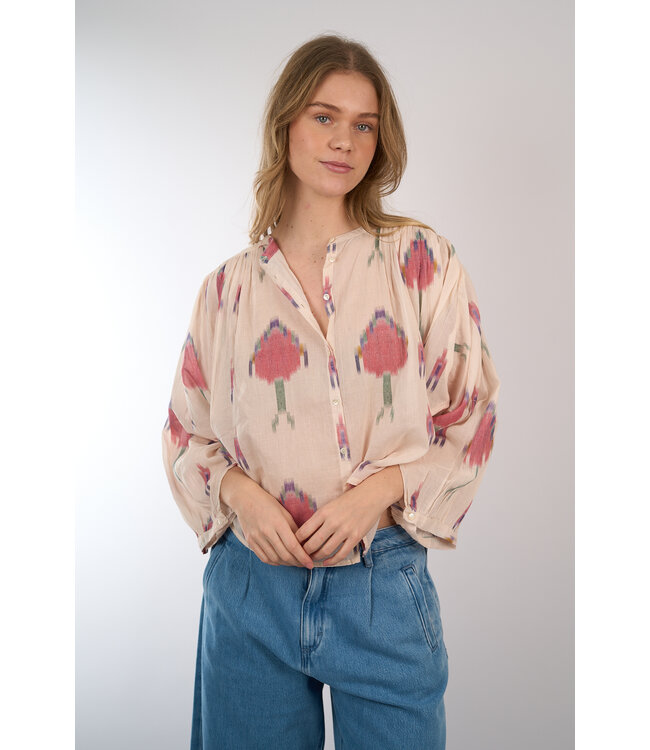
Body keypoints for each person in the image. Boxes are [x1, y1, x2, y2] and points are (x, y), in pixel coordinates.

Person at [161, 33, 500, 750]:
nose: (345, 140)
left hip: (381, 586)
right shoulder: (227, 290)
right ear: (285, 123)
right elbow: (187, 432)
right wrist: (241, 496)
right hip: (251, 590)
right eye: (324, 117)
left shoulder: (421, 261)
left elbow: (470, 420)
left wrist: (371, 496)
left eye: (364, 124)